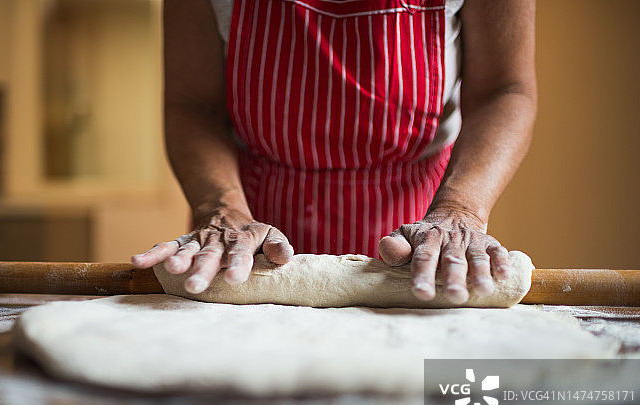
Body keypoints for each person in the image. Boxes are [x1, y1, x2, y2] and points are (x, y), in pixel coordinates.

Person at [132, 0, 536, 305]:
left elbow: (504, 89)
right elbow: (194, 104)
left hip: (421, 228)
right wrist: (221, 210)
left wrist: (460, 209)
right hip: (248, 232)